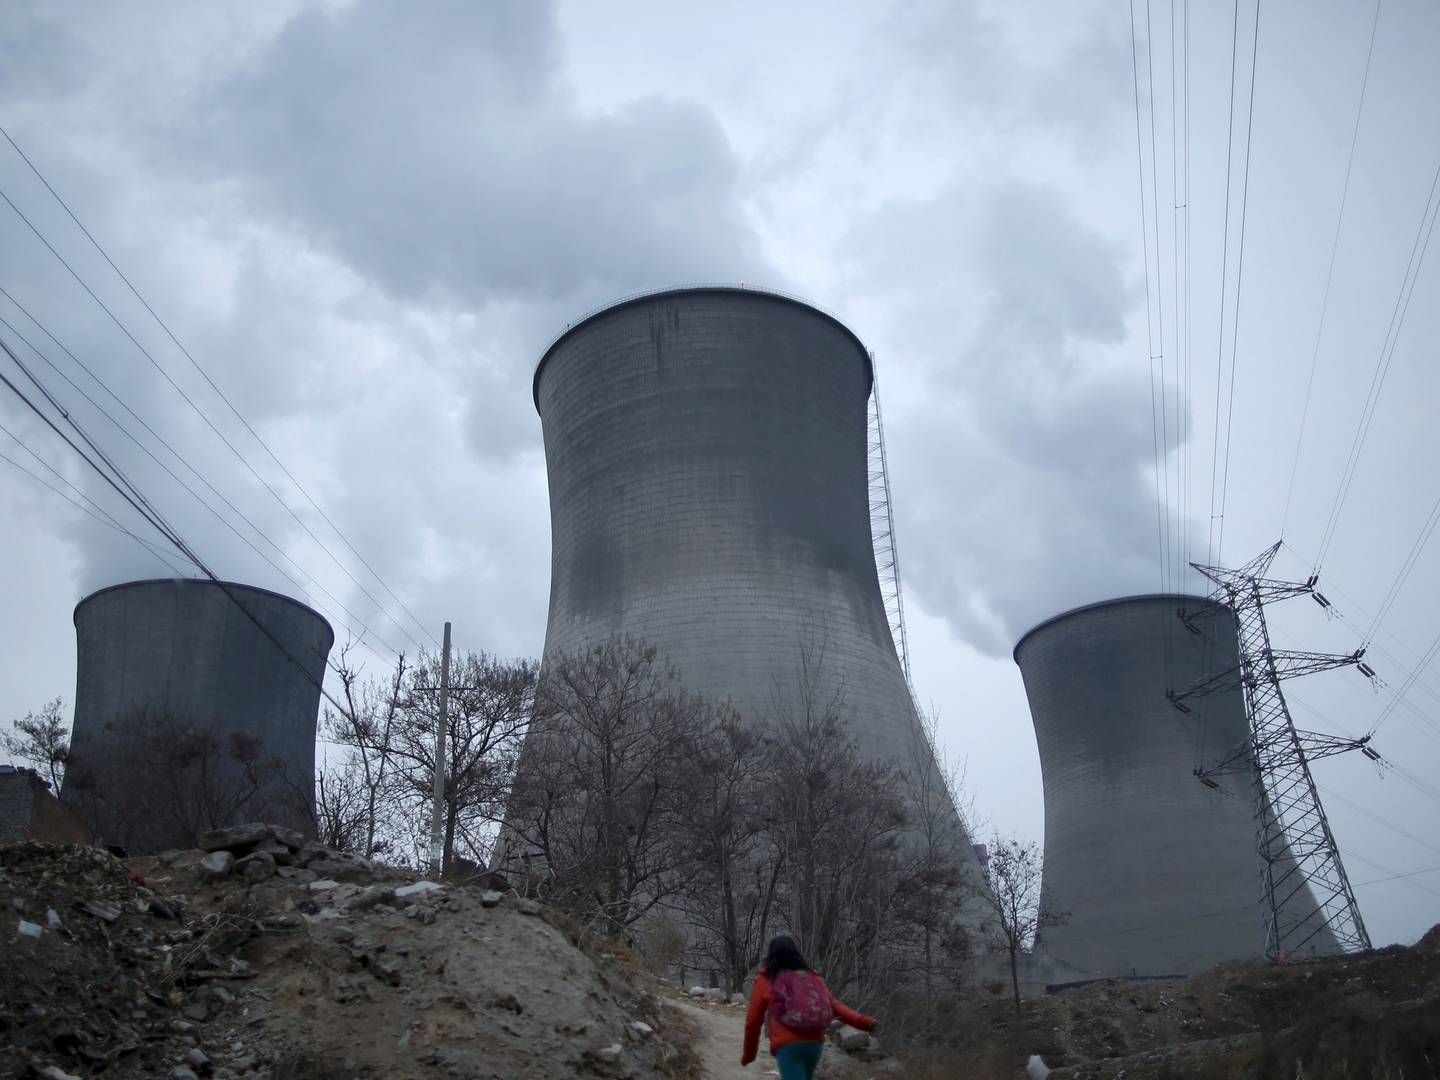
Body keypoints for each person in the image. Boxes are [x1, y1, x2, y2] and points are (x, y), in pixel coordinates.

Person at [740, 935, 876, 1080]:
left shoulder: (766, 980)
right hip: (814, 1044)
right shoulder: (812, 978)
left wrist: (749, 1054)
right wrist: (865, 1022)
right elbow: (835, 1006)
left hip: (788, 1046)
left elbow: (753, 1022)